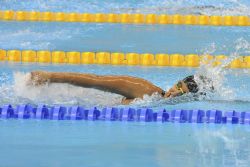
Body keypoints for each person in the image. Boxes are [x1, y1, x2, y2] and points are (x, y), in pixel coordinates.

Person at [29, 71, 199, 105]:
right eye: (177, 85)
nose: (174, 91)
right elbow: (97, 81)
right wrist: (51, 77)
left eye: (181, 91)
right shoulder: (145, 89)